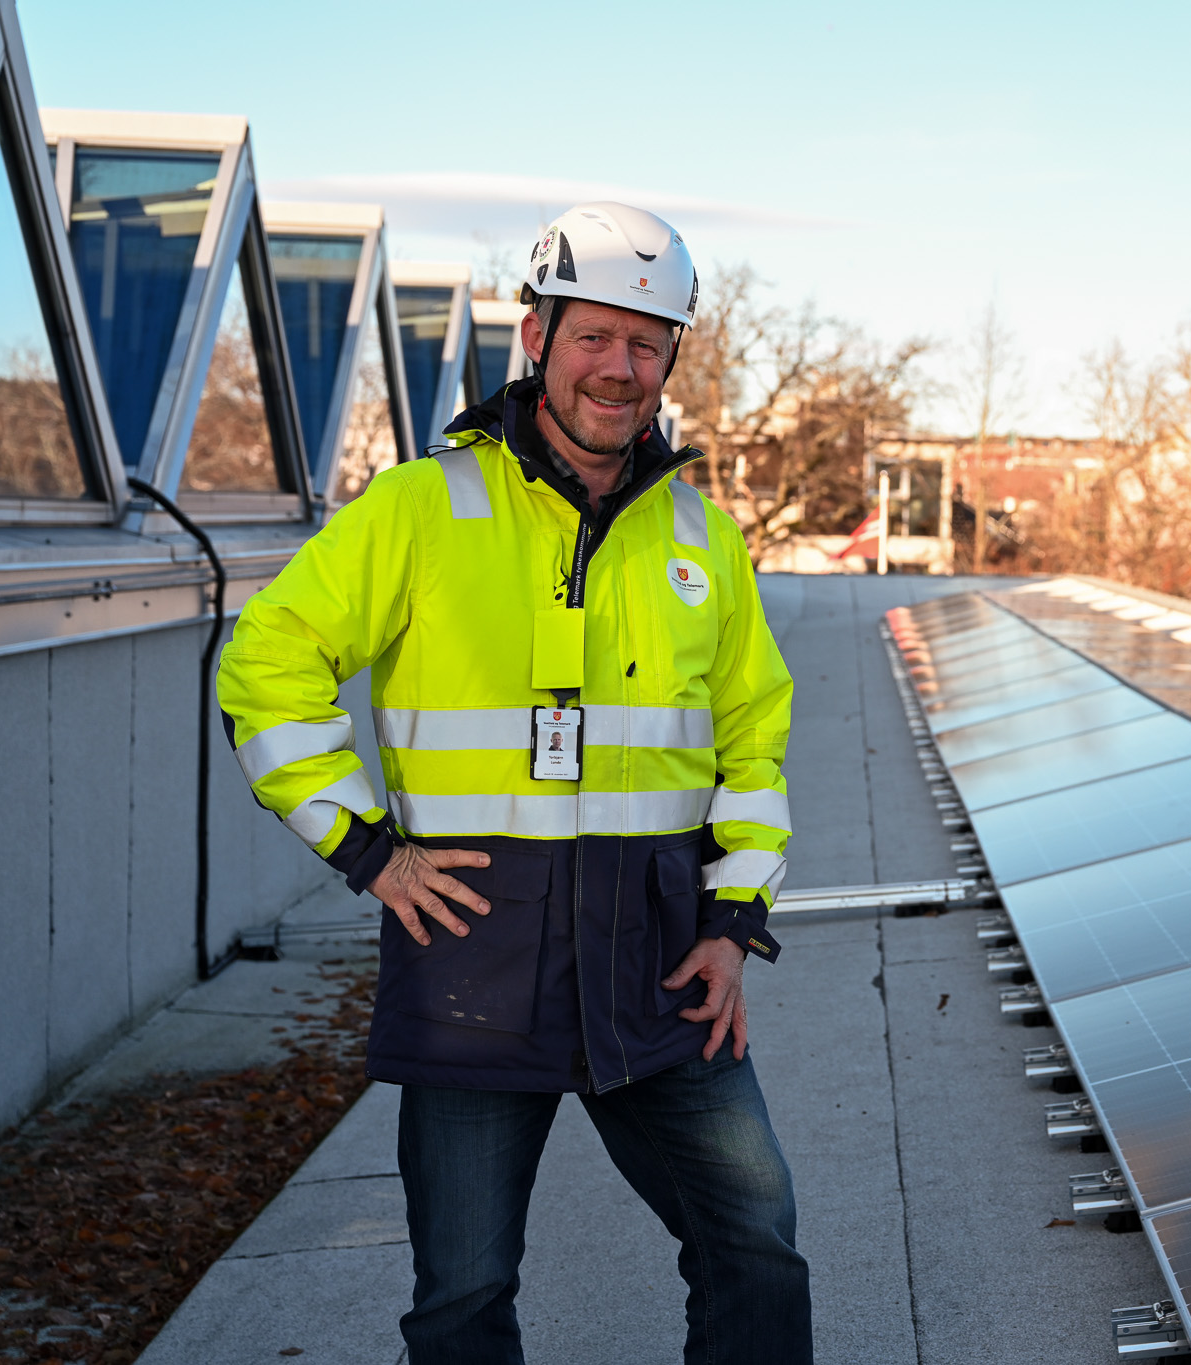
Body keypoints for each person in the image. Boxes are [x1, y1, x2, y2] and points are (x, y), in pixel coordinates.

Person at [215, 202, 807, 1365]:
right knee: (464, 1295)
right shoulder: (420, 508)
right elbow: (264, 664)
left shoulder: (702, 537)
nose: (618, 368)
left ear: (670, 360)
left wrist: (735, 920)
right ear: (536, 338)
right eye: (593, 336)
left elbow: (753, 742)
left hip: (660, 972)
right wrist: (366, 849)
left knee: (755, 1245)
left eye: (646, 344)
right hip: (473, 975)